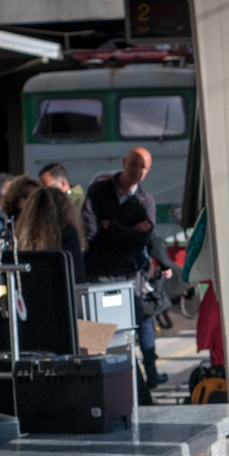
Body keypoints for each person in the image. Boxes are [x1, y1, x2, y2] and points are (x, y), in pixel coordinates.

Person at [82, 147, 166, 401]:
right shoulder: (99, 191)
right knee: (98, 335)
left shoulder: (145, 201)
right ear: (124, 163)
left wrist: (111, 227)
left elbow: (144, 237)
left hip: (131, 275)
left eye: (143, 167)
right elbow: (91, 231)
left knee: (132, 331)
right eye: (134, 164)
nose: (137, 171)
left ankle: (142, 386)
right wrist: (127, 233)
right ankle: (98, 389)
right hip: (99, 274)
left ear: (148, 171)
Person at [15, 187, 86, 283]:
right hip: (61, 288)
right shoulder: (67, 232)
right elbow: (77, 272)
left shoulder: (23, 233)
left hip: (29, 287)